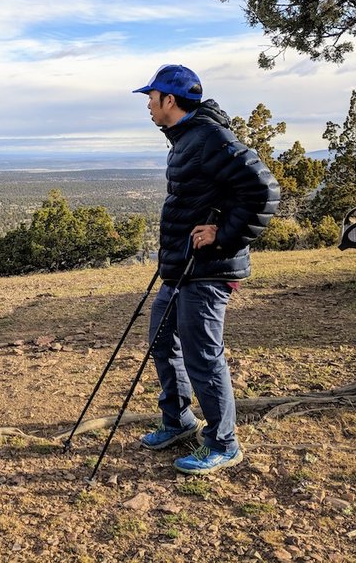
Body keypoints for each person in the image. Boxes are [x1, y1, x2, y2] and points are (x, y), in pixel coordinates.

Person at [133, 65, 278, 474]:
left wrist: (223, 235)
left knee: (203, 356)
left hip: (208, 269)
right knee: (162, 340)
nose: (148, 104)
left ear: (170, 101)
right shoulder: (186, 137)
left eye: (152, 97)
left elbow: (264, 190)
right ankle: (179, 422)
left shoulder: (211, 137)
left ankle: (224, 443)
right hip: (182, 266)